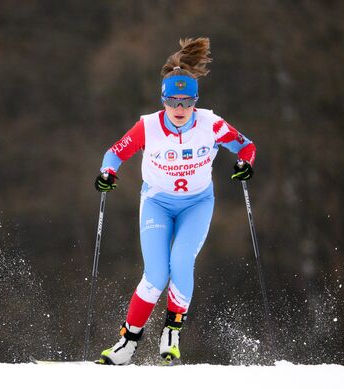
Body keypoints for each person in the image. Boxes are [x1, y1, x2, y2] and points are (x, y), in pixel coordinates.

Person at [94, 37, 256, 365]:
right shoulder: (147, 126)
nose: (180, 109)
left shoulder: (211, 124)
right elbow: (114, 153)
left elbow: (246, 147)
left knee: (181, 262)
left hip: (197, 204)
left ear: (195, 100)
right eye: (173, 101)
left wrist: (245, 164)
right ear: (163, 100)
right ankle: (127, 344)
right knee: (155, 274)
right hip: (157, 202)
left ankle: (172, 333)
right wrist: (107, 173)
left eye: (186, 101)